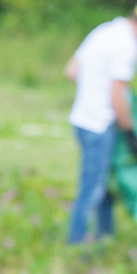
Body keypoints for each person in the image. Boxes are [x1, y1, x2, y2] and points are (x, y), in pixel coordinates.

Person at [65, 8, 137, 245]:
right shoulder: (127, 45)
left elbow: (72, 71)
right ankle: (76, 247)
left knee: (105, 189)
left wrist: (93, 87)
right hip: (100, 124)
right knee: (93, 191)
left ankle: (105, 241)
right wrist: (130, 133)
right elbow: (118, 96)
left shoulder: (104, 31)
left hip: (82, 118)